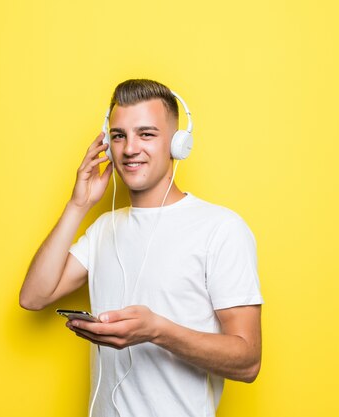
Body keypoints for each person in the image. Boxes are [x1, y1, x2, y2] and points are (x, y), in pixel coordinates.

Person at [20, 79, 264, 417]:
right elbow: (33, 297)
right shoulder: (104, 227)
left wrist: (158, 331)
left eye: (146, 134)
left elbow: (248, 361)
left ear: (178, 144)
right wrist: (78, 205)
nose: (130, 148)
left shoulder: (221, 228)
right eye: (119, 135)